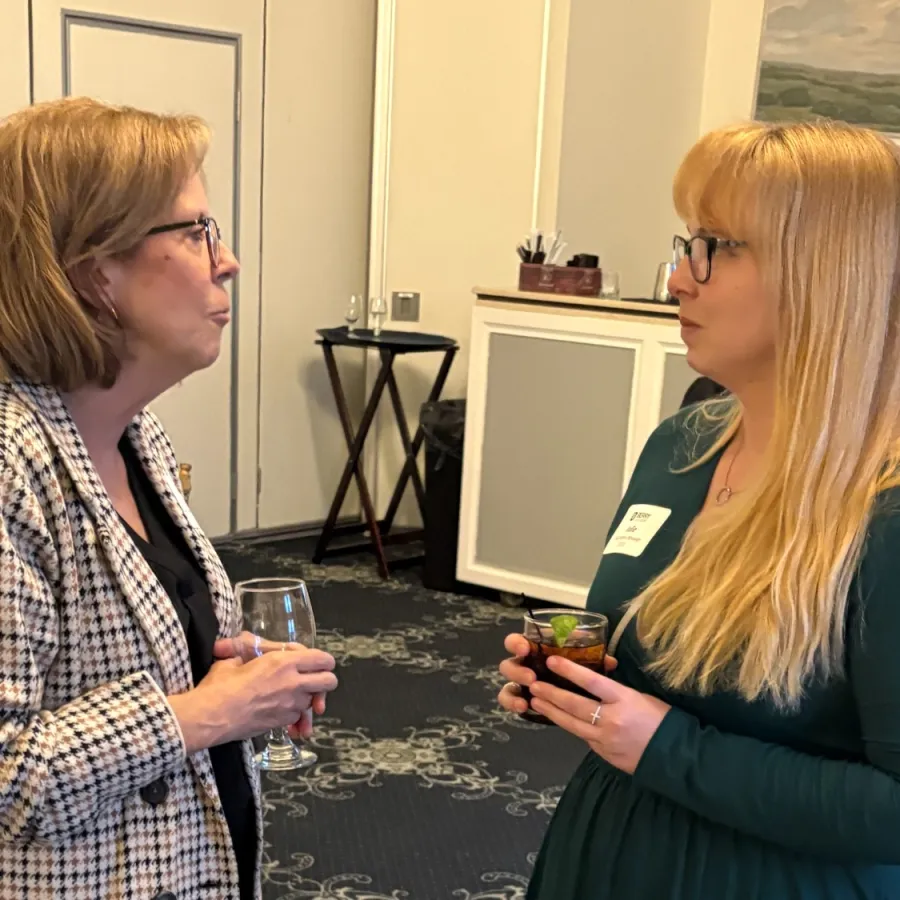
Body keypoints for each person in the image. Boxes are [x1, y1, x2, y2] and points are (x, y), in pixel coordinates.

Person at [498, 119, 900, 899]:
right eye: (686, 244)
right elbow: (660, 665)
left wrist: (665, 747)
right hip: (611, 846)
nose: (680, 277)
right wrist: (574, 686)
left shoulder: (883, 512)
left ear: (828, 274)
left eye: (715, 247)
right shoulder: (681, 446)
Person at [0, 97, 338, 900]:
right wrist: (203, 715)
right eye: (195, 233)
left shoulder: (131, 432)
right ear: (93, 271)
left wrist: (237, 686)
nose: (227, 262)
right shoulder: (9, 461)